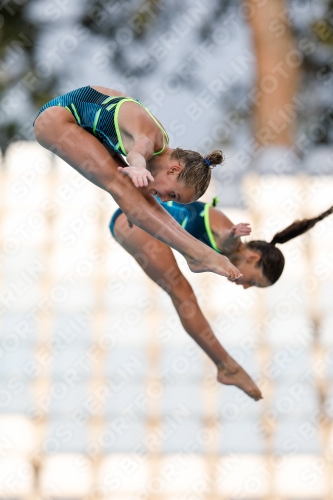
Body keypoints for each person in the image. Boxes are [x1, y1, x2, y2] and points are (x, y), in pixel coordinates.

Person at [109, 200, 333, 399]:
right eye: (252, 281)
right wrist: (231, 236)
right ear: (253, 257)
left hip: (135, 216)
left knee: (182, 292)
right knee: (182, 293)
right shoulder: (232, 243)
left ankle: (226, 366)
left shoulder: (230, 248)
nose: (245, 287)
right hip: (134, 218)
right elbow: (225, 239)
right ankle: (227, 367)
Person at [33, 85, 241, 280]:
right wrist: (138, 168)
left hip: (81, 119)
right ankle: (197, 253)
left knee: (133, 195)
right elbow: (138, 152)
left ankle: (194, 252)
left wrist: (134, 205)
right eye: (173, 195)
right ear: (174, 169)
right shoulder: (151, 140)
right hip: (56, 118)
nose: (166, 199)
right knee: (125, 187)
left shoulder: (160, 149)